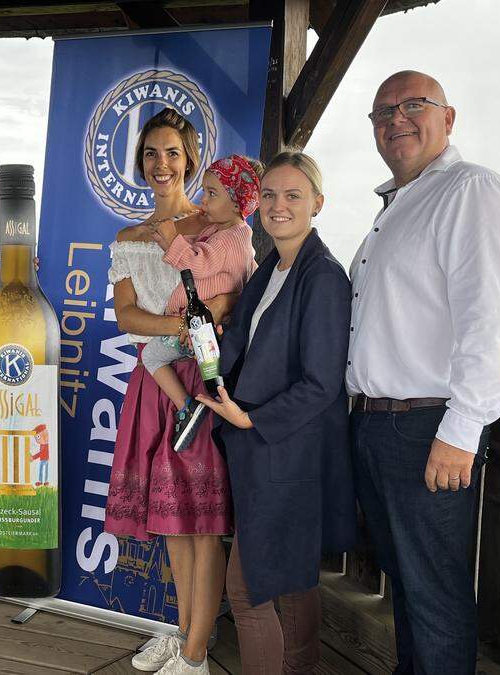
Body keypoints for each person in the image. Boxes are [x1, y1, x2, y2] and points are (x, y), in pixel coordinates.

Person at [346, 70, 500, 674]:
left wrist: (462, 429)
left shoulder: (469, 191)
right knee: (408, 589)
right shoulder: (398, 205)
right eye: (382, 112)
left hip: (427, 428)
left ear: (449, 118)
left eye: (414, 104)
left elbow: (486, 318)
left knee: (436, 598)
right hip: (377, 427)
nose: (396, 118)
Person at [196, 151, 357, 674]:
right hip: (265, 451)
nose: (278, 205)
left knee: (247, 590)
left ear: (318, 203)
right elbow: (251, 346)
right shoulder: (272, 268)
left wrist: (252, 419)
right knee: (291, 578)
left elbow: (321, 383)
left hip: (287, 451)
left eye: (292, 195)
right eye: (268, 195)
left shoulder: (324, 276)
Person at [103, 107, 237, 675]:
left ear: (191, 161)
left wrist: (198, 331)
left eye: (173, 154)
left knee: (203, 528)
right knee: (173, 526)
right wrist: (181, 327)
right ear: (141, 163)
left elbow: (230, 301)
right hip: (154, 384)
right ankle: (185, 634)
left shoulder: (217, 230)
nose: (163, 164)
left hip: (202, 382)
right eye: (152, 154)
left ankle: (197, 654)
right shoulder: (129, 237)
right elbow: (128, 316)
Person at [139, 154, 259, 451]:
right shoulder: (223, 232)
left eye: (212, 193)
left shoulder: (232, 238)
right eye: (204, 190)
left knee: (151, 356)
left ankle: (186, 407)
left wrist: (171, 242)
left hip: (200, 331)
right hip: (200, 328)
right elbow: (201, 249)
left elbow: (199, 264)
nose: (203, 199)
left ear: (236, 203)